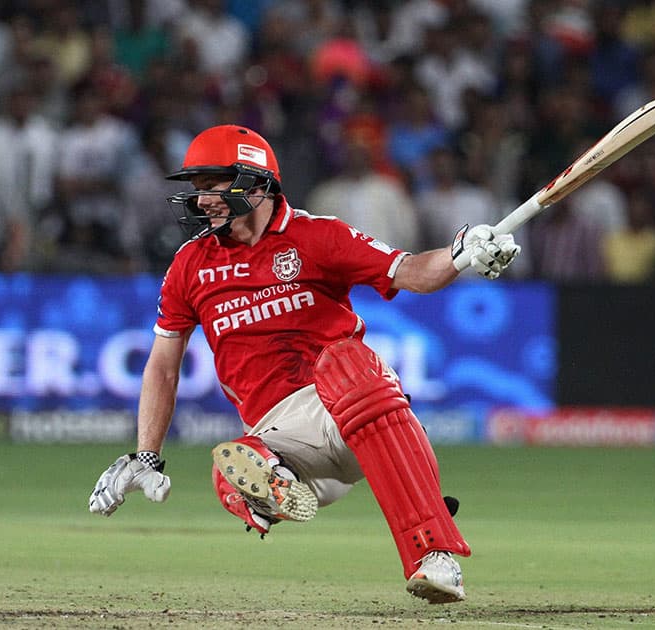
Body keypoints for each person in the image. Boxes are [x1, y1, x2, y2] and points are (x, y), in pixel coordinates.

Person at [88, 125, 520, 604]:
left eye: (214, 186)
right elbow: (163, 367)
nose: (202, 200)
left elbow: (412, 272)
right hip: (278, 433)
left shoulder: (319, 236)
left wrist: (461, 255)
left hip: (349, 409)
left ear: (256, 184)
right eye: (198, 188)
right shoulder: (190, 265)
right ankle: (278, 489)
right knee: (231, 464)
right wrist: (146, 453)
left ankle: (434, 557)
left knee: (349, 362)